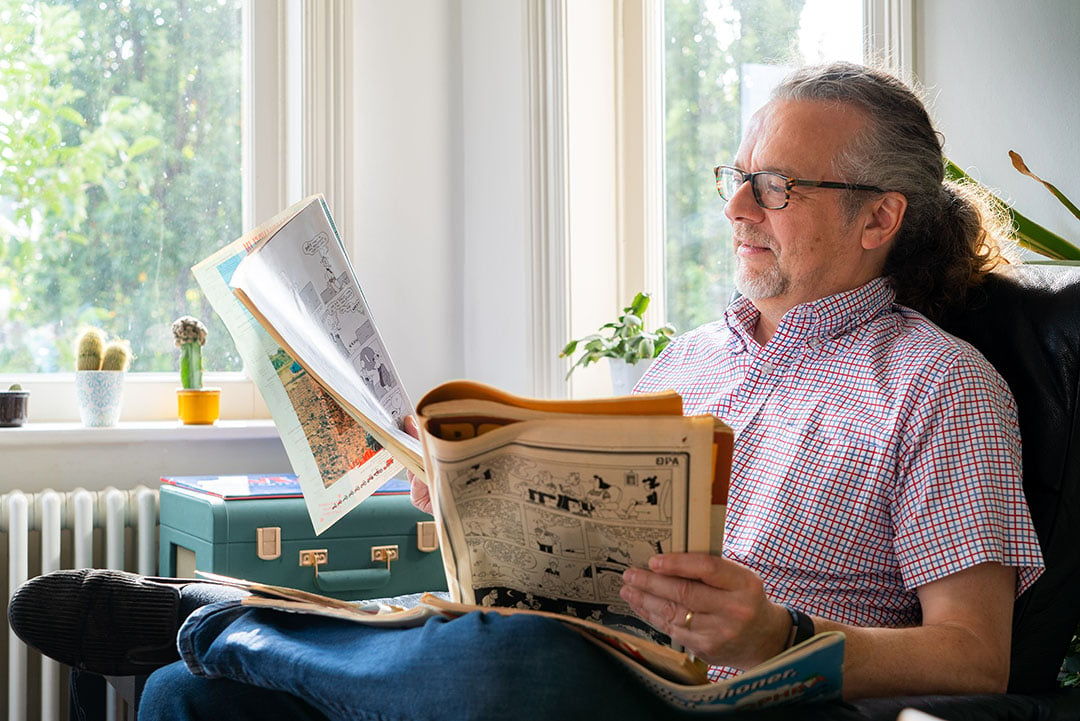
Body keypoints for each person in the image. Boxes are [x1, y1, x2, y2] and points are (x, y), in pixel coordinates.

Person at [9, 62, 1043, 720]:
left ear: (879, 220)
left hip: (743, 700)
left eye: (776, 185)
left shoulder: (943, 388)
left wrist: (776, 636)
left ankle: (220, 620)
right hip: (586, 651)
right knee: (191, 699)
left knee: (511, 671)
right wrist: (466, 497)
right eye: (737, 174)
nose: (734, 205)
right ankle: (213, 640)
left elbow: (975, 655)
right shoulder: (688, 361)